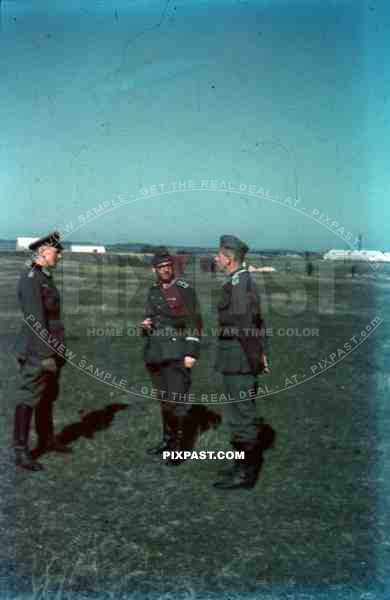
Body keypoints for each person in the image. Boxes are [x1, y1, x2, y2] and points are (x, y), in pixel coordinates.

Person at [213, 235, 271, 490]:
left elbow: (247, 327)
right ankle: (241, 466)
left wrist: (256, 359)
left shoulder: (239, 284)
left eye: (218, 255)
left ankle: (246, 473)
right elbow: (258, 323)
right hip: (236, 357)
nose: (216, 259)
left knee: (241, 415)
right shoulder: (238, 282)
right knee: (239, 412)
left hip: (239, 360)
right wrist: (261, 353)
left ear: (228, 258)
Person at [13, 231, 71, 472]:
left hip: (51, 349)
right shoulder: (31, 278)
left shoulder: (44, 277)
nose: (59, 256)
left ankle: (46, 439)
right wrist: (46, 355)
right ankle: (21, 450)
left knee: (47, 397)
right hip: (38, 351)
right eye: (56, 252)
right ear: (44, 252)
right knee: (30, 397)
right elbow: (36, 320)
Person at [141, 247, 203, 465]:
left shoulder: (184, 289)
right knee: (164, 402)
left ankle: (178, 449)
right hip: (156, 352)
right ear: (155, 269)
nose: (166, 270)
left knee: (176, 401)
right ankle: (167, 441)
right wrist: (145, 325)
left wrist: (191, 352)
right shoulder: (153, 290)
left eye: (168, 266)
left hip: (177, 352)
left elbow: (195, 322)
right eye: (161, 267)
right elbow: (150, 317)